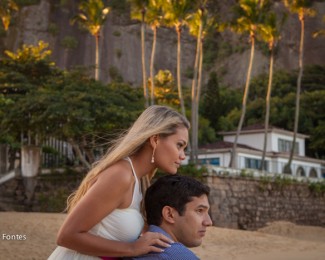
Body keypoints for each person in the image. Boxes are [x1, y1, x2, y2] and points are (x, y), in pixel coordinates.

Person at [48, 105, 190, 259]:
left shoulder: (140, 180)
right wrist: (132, 248)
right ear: (155, 140)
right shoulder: (120, 175)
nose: (183, 155)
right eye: (179, 145)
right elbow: (66, 236)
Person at [127, 174, 212, 260]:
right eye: (200, 210)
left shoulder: (129, 248)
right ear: (169, 214)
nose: (209, 222)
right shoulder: (179, 255)